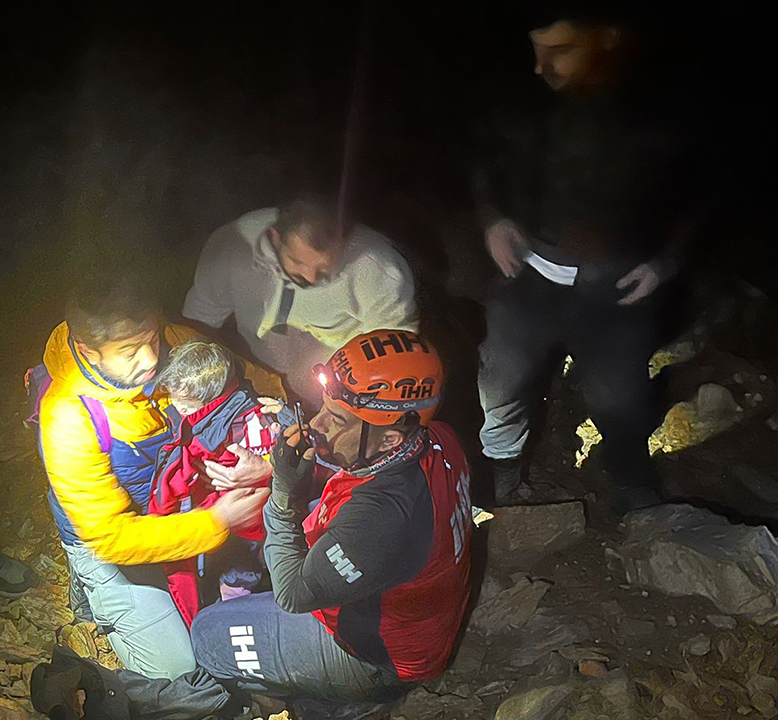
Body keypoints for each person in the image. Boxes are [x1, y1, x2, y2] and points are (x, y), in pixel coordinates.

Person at [33, 329, 474, 718]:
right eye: (323, 407)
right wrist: (270, 468)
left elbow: (295, 592)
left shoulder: (381, 518)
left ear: (391, 436)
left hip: (377, 656)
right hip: (417, 619)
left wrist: (280, 493)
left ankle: (327, 693)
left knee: (207, 635)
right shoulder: (437, 438)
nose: (317, 423)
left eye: (336, 419)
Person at [473, 8, 702, 513]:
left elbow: (696, 197)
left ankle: (633, 487)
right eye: (537, 52)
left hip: (619, 292)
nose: (541, 67)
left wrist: (667, 261)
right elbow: (486, 163)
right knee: (501, 380)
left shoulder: (660, 111)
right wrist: (494, 219)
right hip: (531, 275)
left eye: (559, 51)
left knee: (619, 399)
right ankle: (502, 473)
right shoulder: (528, 103)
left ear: (607, 40)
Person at [31, 271, 280, 680]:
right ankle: (91, 583)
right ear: (88, 351)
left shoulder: (178, 344)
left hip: (184, 504)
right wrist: (218, 522)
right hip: (118, 539)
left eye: (151, 339)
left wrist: (266, 460)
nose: (151, 360)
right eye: (129, 351)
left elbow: (262, 393)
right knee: (180, 671)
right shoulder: (68, 419)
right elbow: (112, 536)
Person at [183, 195, 418, 401]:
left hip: (339, 388)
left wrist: (350, 405)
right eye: (297, 262)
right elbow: (199, 319)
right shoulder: (233, 246)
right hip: (254, 374)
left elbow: (397, 356)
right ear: (276, 239)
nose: (310, 277)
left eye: (324, 267)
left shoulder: (380, 270)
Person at [149, 340, 294, 625]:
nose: (177, 407)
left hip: (242, 527)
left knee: (237, 578)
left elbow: (172, 486)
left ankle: (236, 619)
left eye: (185, 404)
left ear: (210, 399)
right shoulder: (236, 407)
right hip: (227, 517)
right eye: (174, 399)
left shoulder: (233, 431)